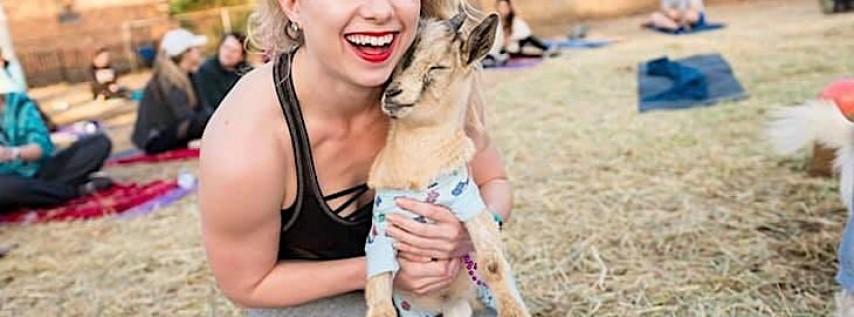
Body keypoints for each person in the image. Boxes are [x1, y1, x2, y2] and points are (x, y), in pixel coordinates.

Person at [199, 0, 514, 315]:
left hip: (432, 295)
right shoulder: (245, 139)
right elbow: (249, 285)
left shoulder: (438, 79)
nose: (380, 11)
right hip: (311, 301)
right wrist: (382, 269)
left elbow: (494, 181)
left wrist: (470, 234)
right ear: (293, 6)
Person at [0, 78, 113, 212]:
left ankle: (39, 193)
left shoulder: (19, 104)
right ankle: (75, 191)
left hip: (41, 170)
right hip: (6, 180)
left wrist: (12, 153)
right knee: (6, 188)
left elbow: (43, 147)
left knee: (99, 143)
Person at [131, 28, 210, 155]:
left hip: (171, 132)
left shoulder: (188, 75)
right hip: (155, 139)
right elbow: (185, 117)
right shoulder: (167, 80)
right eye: (196, 49)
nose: (200, 52)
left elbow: (201, 108)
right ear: (185, 53)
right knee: (205, 119)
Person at [194, 32, 252, 110]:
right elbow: (207, 105)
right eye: (226, 47)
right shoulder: (206, 71)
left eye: (234, 51)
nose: (228, 53)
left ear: (242, 56)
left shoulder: (247, 73)